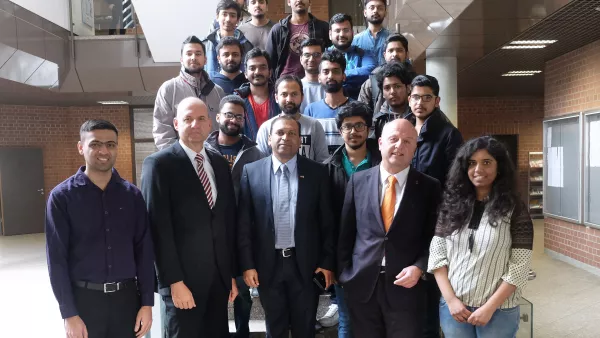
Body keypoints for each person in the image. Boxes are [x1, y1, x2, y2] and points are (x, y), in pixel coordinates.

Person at [46, 119, 154, 338]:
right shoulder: (62, 197)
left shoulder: (132, 196)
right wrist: (69, 314)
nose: (104, 150)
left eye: (111, 144)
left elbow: (144, 252)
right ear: (81, 147)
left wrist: (146, 304)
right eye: (95, 144)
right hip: (85, 302)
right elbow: (56, 259)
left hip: (127, 301)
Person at [141, 97, 238, 337]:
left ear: (209, 125)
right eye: (187, 119)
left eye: (201, 119)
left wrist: (231, 275)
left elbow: (227, 222)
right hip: (182, 283)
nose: (195, 124)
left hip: (218, 280)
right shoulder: (159, 165)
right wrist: (173, 282)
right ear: (176, 123)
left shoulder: (219, 163)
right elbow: (157, 229)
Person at [337, 119, 441, 338]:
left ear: (415, 148)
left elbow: (434, 237)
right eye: (393, 139)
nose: (399, 146)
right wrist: (345, 274)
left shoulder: (429, 187)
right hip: (363, 285)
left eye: (407, 141)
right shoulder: (358, 181)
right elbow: (346, 234)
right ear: (381, 143)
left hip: (407, 287)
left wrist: (420, 267)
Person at [237, 115, 336, 338]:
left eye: (292, 133)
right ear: (269, 138)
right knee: (275, 327)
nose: (286, 137)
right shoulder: (251, 172)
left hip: (306, 265)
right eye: (280, 133)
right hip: (267, 265)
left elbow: (327, 222)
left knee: (305, 328)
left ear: (300, 140)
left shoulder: (317, 173)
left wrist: (327, 262)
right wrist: (247, 264)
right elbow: (244, 224)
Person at [428, 136, 534, 338]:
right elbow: (437, 257)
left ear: (499, 167)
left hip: (499, 310)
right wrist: (451, 301)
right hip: (455, 309)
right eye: (472, 163)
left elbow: (519, 267)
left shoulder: (515, 209)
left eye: (486, 162)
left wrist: (489, 307)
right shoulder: (451, 206)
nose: (478, 169)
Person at [205, 95, 264, 338]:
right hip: (211, 231)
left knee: (241, 292)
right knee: (214, 290)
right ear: (218, 117)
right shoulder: (204, 150)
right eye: (229, 114)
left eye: (239, 116)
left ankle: (242, 333)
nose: (233, 120)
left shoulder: (254, 152)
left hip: (242, 232)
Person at [323, 101, 382, 337]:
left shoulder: (383, 165)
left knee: (377, 318)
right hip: (343, 257)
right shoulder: (327, 169)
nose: (354, 131)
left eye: (360, 125)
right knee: (347, 321)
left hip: (378, 253)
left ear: (368, 129)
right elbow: (325, 220)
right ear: (340, 131)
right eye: (348, 126)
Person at [153, 35, 226, 150]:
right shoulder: (169, 89)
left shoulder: (218, 92)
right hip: (180, 161)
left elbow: (223, 129)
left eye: (198, 54)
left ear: (205, 59)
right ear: (181, 59)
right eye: (189, 53)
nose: (193, 57)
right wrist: (177, 158)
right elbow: (162, 132)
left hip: (213, 160)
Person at [406, 74, 463, 189]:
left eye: (427, 97)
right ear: (409, 100)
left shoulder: (449, 134)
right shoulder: (402, 131)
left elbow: (456, 178)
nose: (420, 103)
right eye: (416, 97)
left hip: (436, 202)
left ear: (437, 101)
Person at [255, 75, 329, 162]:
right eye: (284, 94)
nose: (289, 99)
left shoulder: (314, 125)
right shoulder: (266, 127)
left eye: (294, 94)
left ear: (302, 97)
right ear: (276, 97)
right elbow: (260, 164)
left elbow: (323, 162)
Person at [266, 0, 331, 81]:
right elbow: (269, 61)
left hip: (316, 81)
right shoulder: (278, 29)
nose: (299, 0)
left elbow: (330, 56)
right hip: (285, 82)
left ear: (310, 2)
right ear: (289, 2)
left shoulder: (322, 27)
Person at [305, 49, 352, 154]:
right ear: (319, 77)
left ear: (343, 76)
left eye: (336, 71)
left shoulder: (357, 108)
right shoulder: (310, 111)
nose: (330, 76)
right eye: (326, 72)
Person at [358, 33, 413, 116]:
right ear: (385, 55)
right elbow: (360, 116)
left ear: (407, 54)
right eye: (390, 51)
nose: (394, 54)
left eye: (399, 50)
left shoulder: (416, 83)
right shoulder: (371, 84)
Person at [234, 48, 280, 140]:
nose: (257, 72)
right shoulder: (237, 100)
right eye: (252, 68)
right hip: (247, 152)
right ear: (246, 74)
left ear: (270, 72)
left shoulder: (280, 98)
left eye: (262, 67)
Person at [328, 13, 376, 100]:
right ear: (330, 34)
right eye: (337, 31)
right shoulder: (323, 56)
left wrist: (341, 75)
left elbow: (370, 70)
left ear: (352, 33)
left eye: (346, 30)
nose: (342, 34)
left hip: (359, 105)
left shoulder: (364, 53)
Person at [204, 0, 254, 75]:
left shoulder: (247, 46)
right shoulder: (206, 44)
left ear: (238, 19)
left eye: (232, 15)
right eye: (224, 14)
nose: (228, 19)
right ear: (217, 17)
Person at [372, 61, 412, 139]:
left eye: (397, 86)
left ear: (408, 88)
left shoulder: (418, 115)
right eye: (387, 88)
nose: (392, 92)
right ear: (382, 93)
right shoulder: (379, 121)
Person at [352, 0, 390, 65]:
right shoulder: (355, 41)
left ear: (385, 13)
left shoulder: (393, 39)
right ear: (365, 13)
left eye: (380, 8)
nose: (375, 11)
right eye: (371, 8)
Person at [299, 38, 326, 112]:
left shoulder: (330, 85)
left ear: (323, 57)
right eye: (307, 55)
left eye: (316, 55)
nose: (311, 59)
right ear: (301, 59)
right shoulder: (296, 87)